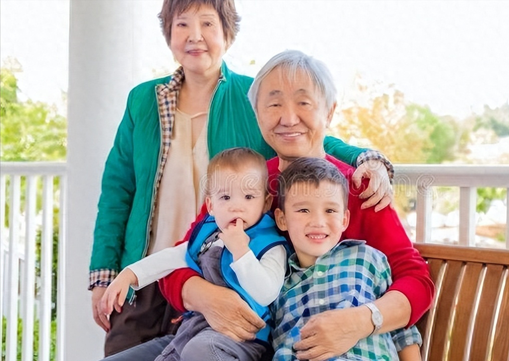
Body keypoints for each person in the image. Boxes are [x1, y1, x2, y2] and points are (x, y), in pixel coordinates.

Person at [90, 0, 395, 357]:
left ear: (227, 34)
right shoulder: (143, 100)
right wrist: (106, 273)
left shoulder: (252, 97)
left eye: (208, 24)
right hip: (167, 261)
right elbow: (117, 189)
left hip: (229, 265)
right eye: (182, 25)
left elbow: (307, 134)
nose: (195, 36)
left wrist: (364, 157)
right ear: (168, 33)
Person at [155, 50, 435, 361]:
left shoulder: (358, 188)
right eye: (274, 104)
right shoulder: (245, 182)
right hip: (207, 332)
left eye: (304, 103)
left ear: (329, 112)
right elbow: (181, 256)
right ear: (258, 114)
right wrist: (205, 296)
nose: (288, 119)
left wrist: (361, 321)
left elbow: (415, 279)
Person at [100, 148, 287, 360]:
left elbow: (267, 292)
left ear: (266, 203)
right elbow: (172, 257)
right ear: (211, 206)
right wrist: (130, 274)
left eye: (249, 197)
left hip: (243, 339)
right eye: (225, 197)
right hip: (196, 328)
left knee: (199, 350)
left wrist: (241, 252)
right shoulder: (210, 236)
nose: (237, 207)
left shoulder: (270, 244)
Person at [271, 157, 423, 361]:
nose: (318, 222)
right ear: (282, 219)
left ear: (344, 220)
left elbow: (402, 331)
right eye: (303, 210)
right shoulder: (275, 282)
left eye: (330, 210)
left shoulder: (367, 259)